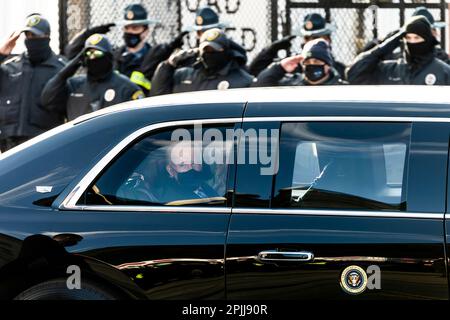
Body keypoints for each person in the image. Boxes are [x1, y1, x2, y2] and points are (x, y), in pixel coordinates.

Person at [64, 3, 187, 95]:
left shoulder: (156, 57)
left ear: (146, 31)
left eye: (135, 28)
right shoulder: (113, 56)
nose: (130, 32)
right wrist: (89, 34)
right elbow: (70, 53)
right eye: (127, 28)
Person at [0, 14, 67, 152]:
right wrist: (1, 54)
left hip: (44, 144)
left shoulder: (60, 69)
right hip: (10, 145)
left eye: (35, 36)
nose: (31, 39)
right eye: (28, 35)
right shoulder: (11, 67)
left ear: (47, 37)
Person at [41, 34, 145, 121]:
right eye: (88, 54)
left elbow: (139, 120)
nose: (92, 58)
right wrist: (71, 67)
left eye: (97, 53)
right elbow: (47, 99)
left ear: (108, 56)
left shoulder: (126, 88)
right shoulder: (74, 85)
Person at [347, 16, 450, 85]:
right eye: (408, 38)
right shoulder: (390, 70)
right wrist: (383, 48)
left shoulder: (443, 71)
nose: (412, 42)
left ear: (427, 40)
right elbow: (354, 74)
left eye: (417, 38)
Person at [151, 28, 254, 96]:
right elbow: (157, 95)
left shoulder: (243, 81)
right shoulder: (183, 76)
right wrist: (168, 65)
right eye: (206, 50)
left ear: (226, 50)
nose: (210, 54)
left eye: (215, 50)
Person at [118, 141, 218, 205]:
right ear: (171, 171)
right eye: (182, 165)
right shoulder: (172, 199)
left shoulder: (203, 187)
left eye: (194, 162)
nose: (190, 168)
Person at [249, 13, 346, 78]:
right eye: (307, 38)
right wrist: (271, 50)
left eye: (316, 38)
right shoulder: (292, 67)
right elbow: (254, 73)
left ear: (328, 40)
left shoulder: (339, 70)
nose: (311, 43)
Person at [253, 39, 346, 87]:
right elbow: (259, 86)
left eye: (316, 61)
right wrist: (279, 67)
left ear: (328, 66)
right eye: (307, 61)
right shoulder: (291, 84)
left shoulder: (340, 89)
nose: (311, 64)